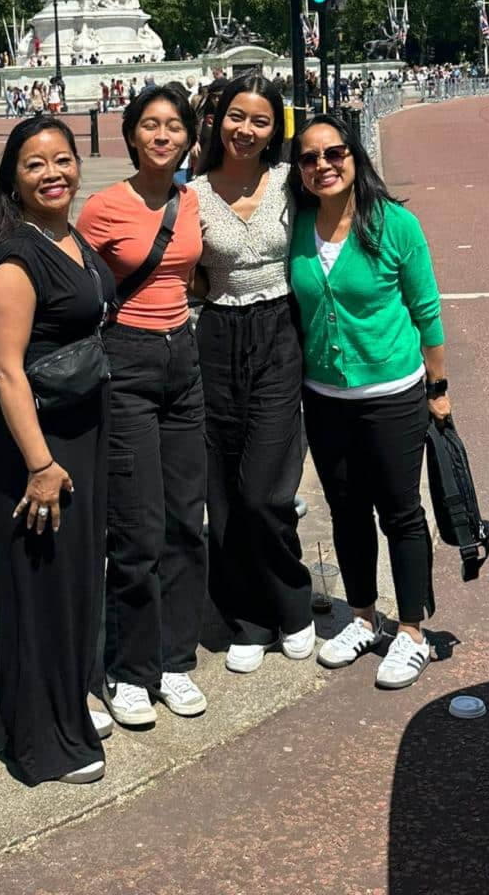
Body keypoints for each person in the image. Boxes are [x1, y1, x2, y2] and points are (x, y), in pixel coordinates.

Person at [289, 113, 450, 690]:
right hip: (324, 396)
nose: (323, 165)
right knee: (347, 510)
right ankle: (362, 616)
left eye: (334, 153)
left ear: (355, 157)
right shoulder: (298, 226)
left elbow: (426, 309)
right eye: (309, 158)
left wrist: (439, 388)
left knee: (400, 511)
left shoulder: (394, 224)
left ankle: (412, 631)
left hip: (392, 393)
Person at [0, 115, 115, 784]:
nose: (53, 173)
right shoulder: (14, 257)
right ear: (14, 179)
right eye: (35, 164)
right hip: (38, 439)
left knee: (75, 573)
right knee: (41, 583)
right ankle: (44, 740)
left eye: (62, 159)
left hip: (79, 424)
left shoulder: (67, 235)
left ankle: (69, 697)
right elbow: (7, 371)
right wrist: (39, 465)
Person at [77, 84, 207, 728]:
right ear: (131, 135)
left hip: (183, 359)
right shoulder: (103, 207)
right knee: (138, 527)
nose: (162, 136)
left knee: (186, 519)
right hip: (125, 362)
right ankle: (131, 668)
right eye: (150, 125)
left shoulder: (192, 199)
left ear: (189, 137)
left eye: (174, 126)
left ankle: (175, 660)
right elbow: (70, 280)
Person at [189, 74, 313, 674]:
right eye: (237, 117)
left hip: (279, 331)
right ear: (218, 121)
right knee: (223, 490)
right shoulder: (192, 193)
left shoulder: (291, 182)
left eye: (260, 121)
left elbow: (347, 216)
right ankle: (247, 617)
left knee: (265, 490)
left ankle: (292, 603)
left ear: (274, 130)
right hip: (216, 333)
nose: (246, 130)